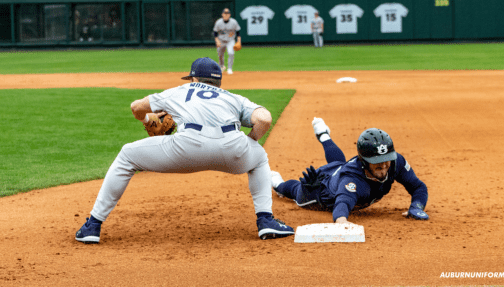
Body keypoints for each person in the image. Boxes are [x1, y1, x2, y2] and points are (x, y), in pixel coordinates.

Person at [75, 57, 295, 243]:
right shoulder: (233, 97)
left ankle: (93, 226)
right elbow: (264, 118)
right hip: (232, 147)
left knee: (127, 155)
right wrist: (250, 142)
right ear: (217, 82)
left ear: (194, 79)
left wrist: (147, 119)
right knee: (259, 159)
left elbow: (136, 107)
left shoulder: (182, 90)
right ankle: (265, 220)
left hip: (186, 148)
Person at [271, 118, 429, 224]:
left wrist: (416, 206)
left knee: (338, 163)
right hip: (318, 191)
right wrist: (342, 221)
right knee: (296, 191)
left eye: (386, 159)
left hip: (339, 171)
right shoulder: (352, 180)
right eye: (376, 162)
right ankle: (276, 182)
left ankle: (323, 134)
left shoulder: (395, 162)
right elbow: (342, 205)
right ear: (363, 161)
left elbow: (418, 187)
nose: (383, 165)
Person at [213, 8, 241, 75]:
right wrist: (217, 41)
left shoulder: (234, 22)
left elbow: (238, 32)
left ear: (229, 15)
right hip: (221, 40)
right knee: (220, 54)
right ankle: (221, 66)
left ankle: (229, 69)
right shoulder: (218, 22)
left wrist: (239, 41)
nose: (226, 15)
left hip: (230, 41)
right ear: (222, 14)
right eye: (225, 13)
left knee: (231, 53)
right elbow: (215, 33)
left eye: (227, 14)